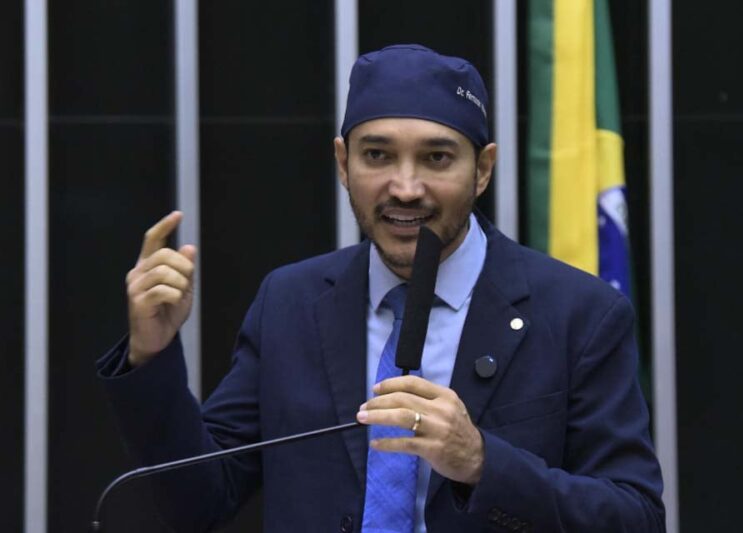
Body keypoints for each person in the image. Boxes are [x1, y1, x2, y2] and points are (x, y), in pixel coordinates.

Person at [98, 44, 665, 532]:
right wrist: (152, 355)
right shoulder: (290, 302)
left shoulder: (580, 314)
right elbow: (197, 500)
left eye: (437, 158)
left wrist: (482, 463)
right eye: (378, 155)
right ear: (343, 163)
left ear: (482, 170)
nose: (406, 187)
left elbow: (635, 515)